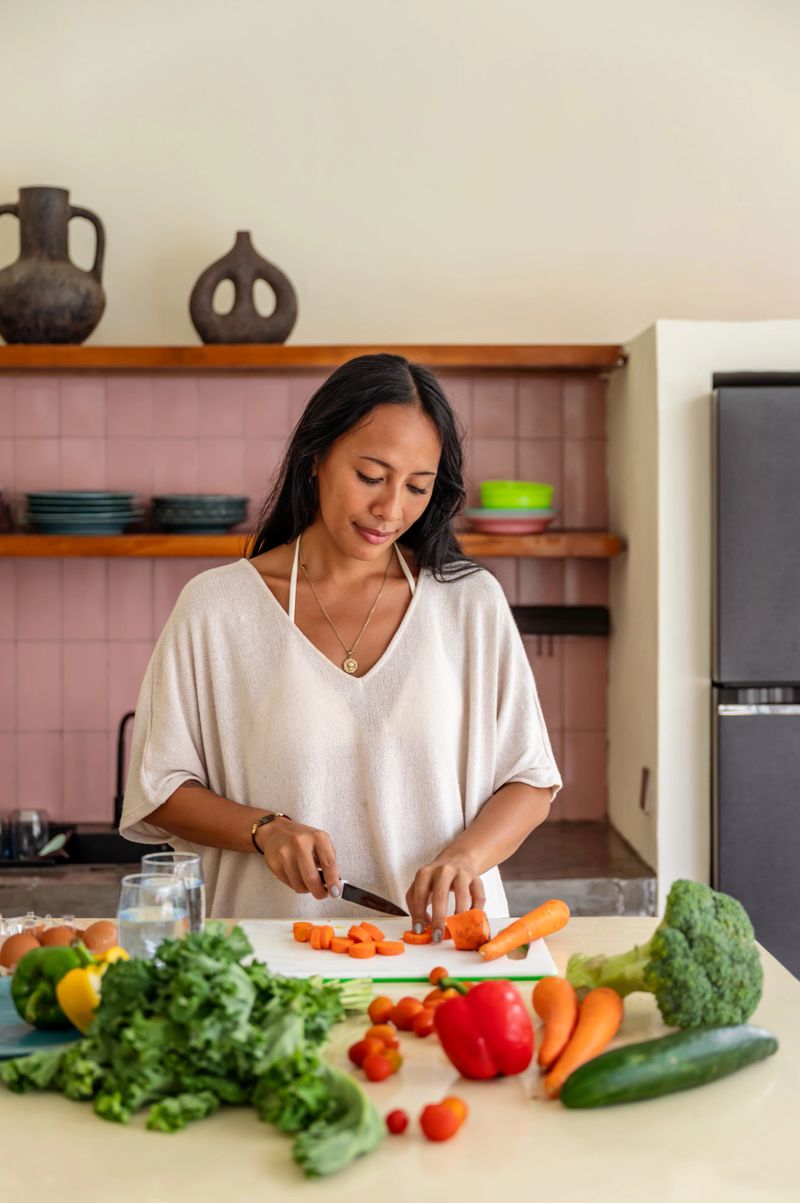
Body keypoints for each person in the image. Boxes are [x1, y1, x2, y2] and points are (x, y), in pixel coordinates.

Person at [120, 353, 561, 938]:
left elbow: (529, 780)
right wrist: (266, 829)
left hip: (438, 957)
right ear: (315, 459)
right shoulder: (217, 608)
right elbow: (159, 791)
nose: (390, 509)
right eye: (371, 477)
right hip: (266, 959)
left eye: (416, 487)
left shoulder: (469, 603)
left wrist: (466, 858)